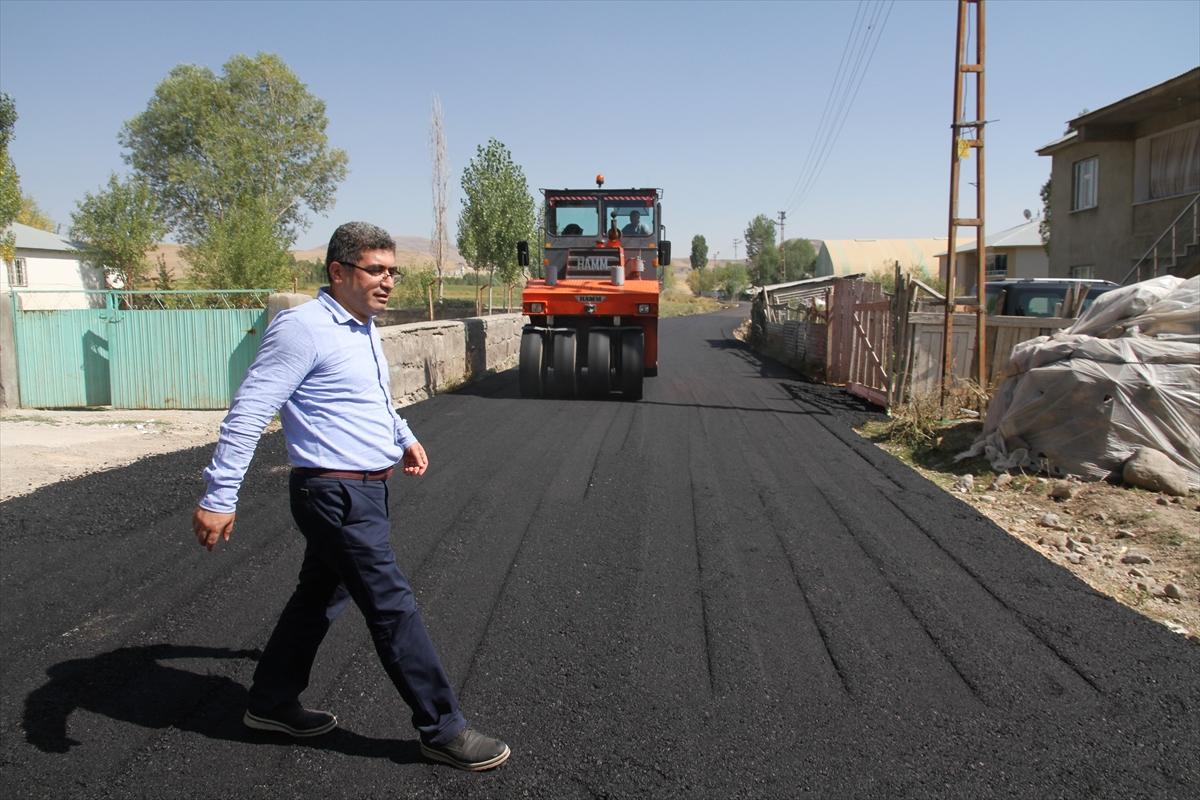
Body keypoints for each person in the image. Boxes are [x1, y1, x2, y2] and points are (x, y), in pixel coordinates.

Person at [192, 221, 510, 772]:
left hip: (365, 491)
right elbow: (248, 412)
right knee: (392, 607)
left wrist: (403, 436)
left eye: (393, 270)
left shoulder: (361, 325)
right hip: (332, 493)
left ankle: (269, 703)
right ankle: (443, 729)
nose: (389, 281)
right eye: (376, 270)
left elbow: (371, 400)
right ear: (338, 272)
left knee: (320, 596)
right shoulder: (302, 328)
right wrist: (220, 495)